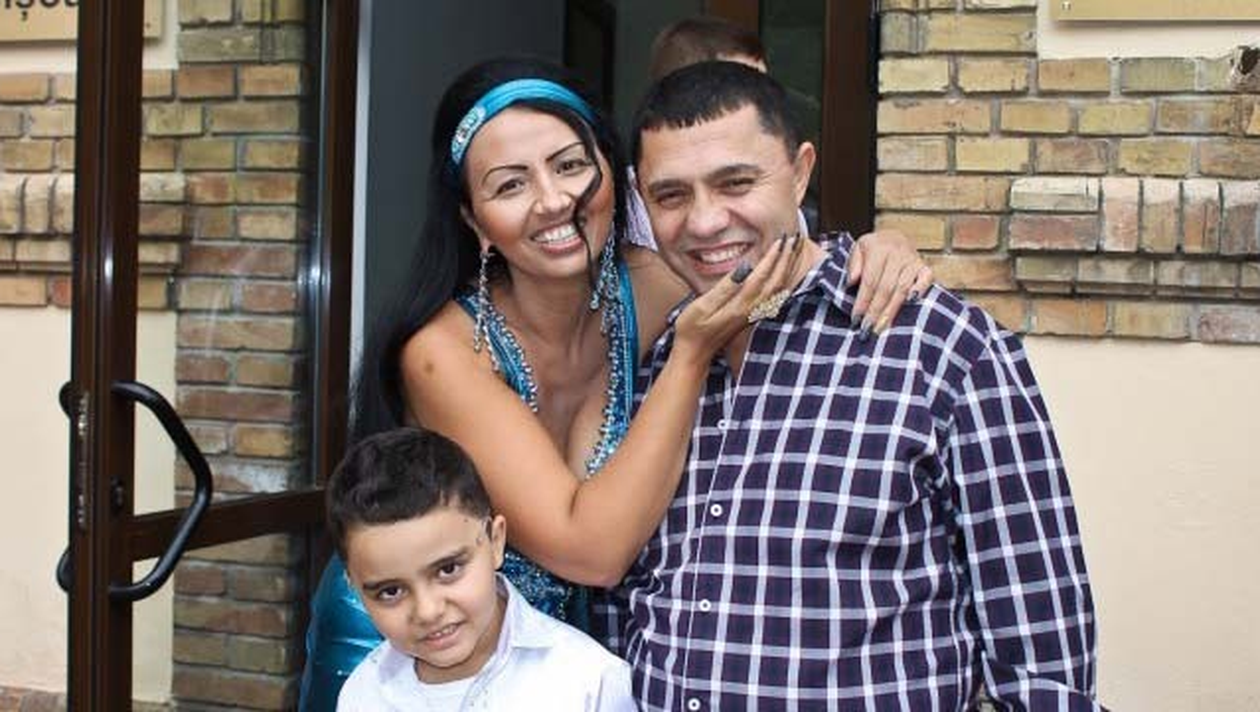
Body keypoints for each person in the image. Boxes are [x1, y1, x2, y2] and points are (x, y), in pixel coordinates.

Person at [300, 57, 931, 709]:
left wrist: (871, 251)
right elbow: (592, 553)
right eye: (510, 185)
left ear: (614, 175)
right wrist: (690, 354)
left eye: (571, 166)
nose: (552, 201)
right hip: (411, 654)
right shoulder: (443, 354)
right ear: (475, 219)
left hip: (564, 665)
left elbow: (770, 266)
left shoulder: (660, 286)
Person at [595, 60, 1101, 711]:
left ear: (800, 171)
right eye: (671, 196)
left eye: (736, 183)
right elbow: (619, 608)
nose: (704, 221)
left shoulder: (941, 348)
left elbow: (1040, 646)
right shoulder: (650, 361)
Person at [329, 427, 637, 711]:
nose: (428, 611)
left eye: (448, 569)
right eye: (391, 591)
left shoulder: (588, 682)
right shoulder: (363, 695)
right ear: (354, 587)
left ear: (495, 541)